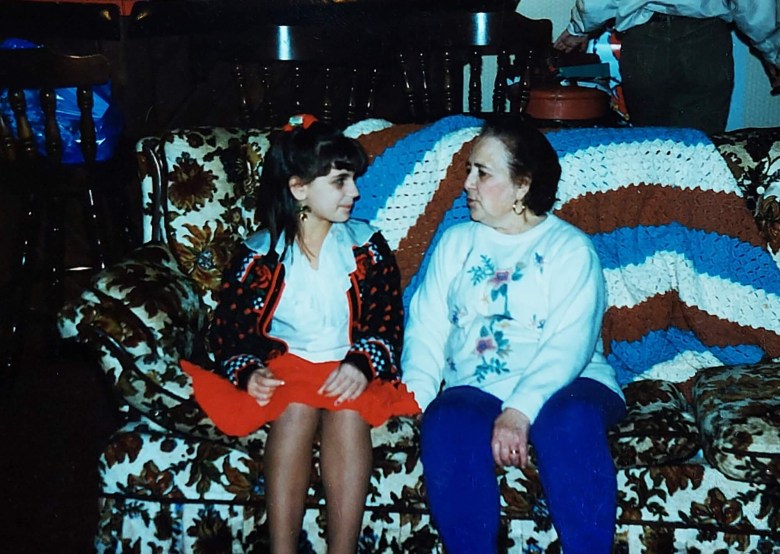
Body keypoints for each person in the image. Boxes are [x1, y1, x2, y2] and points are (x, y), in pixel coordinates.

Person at [184, 115, 418, 554]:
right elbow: (231, 329)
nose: (356, 192)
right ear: (299, 189)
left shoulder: (367, 247)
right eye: (341, 181)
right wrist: (248, 369)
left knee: (348, 410)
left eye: (353, 180)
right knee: (293, 409)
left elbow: (388, 318)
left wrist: (362, 362)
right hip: (288, 364)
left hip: (351, 361)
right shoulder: (259, 256)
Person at [401, 119, 627, 554]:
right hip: (478, 386)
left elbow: (570, 344)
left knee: (568, 420)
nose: (466, 183)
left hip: (571, 384)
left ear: (522, 186)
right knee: (446, 419)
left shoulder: (570, 249)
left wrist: (519, 412)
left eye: (482, 173)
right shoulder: (455, 242)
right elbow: (427, 324)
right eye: (469, 169)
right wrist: (417, 398)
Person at [553, 0, 780, 134]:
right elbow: (755, 6)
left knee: (650, 148)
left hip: (645, 40)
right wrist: (771, 51)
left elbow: (597, 3)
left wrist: (578, 28)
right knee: (701, 151)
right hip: (706, 40)